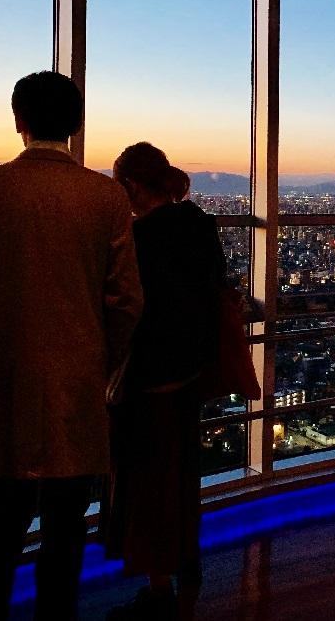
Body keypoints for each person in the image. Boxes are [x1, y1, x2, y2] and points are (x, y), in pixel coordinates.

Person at [0, 71, 143, 621]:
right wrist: (104, 360)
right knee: (66, 526)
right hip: (78, 381)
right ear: (76, 125)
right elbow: (126, 301)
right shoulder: (105, 195)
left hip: (7, 378)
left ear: (19, 121)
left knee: (2, 522)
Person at [104, 143, 226, 620]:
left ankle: (158, 590)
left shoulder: (139, 238)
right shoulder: (199, 225)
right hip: (191, 372)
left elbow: (128, 308)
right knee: (181, 471)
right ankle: (186, 560)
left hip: (149, 376)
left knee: (148, 481)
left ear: (132, 186)